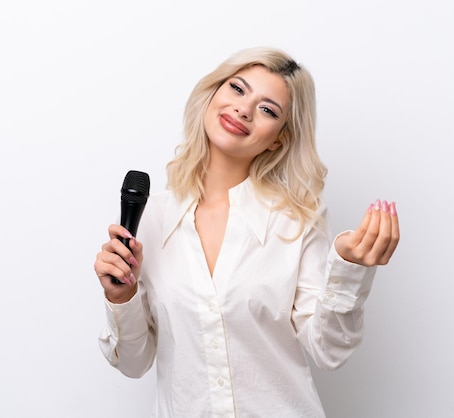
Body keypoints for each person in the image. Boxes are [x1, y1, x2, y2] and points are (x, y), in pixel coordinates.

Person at [94, 46, 400, 417]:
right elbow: (133, 363)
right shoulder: (152, 217)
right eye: (237, 89)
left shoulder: (296, 220)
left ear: (278, 139)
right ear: (212, 95)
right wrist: (121, 297)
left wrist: (349, 269)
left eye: (268, 109)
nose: (243, 109)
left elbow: (328, 351)